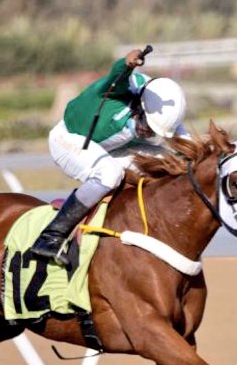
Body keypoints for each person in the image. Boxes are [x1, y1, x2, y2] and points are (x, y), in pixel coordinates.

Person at [29, 48, 189, 265]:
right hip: (69, 140)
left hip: (106, 147)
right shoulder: (118, 95)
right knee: (109, 174)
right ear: (139, 107)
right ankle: (51, 236)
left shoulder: (158, 103)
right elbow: (116, 77)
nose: (150, 134)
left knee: (169, 161)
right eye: (148, 127)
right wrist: (127, 64)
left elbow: (185, 144)